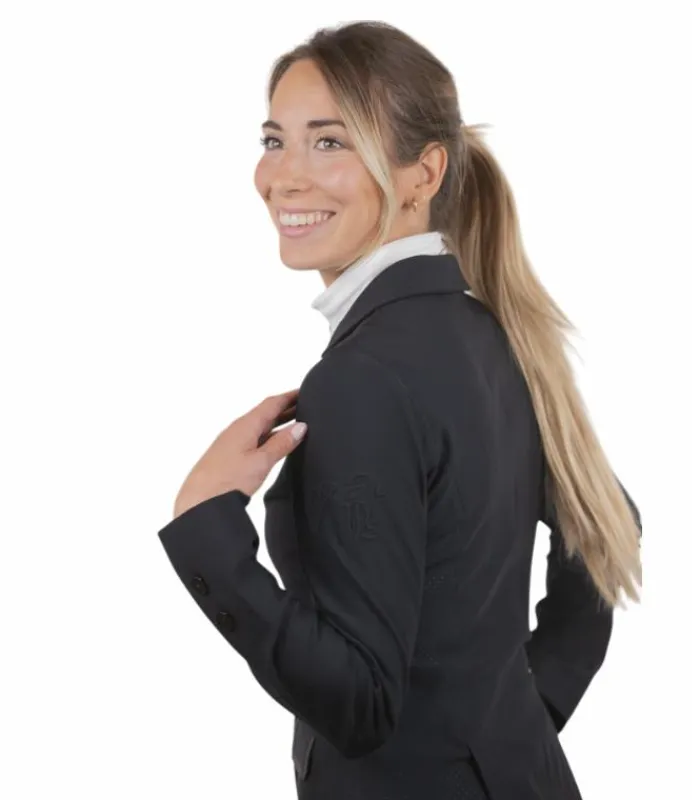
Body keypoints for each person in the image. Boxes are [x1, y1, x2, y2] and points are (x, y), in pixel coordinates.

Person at [157, 20, 642, 800]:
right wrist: (517, 723)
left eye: (330, 142)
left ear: (424, 174)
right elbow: (608, 520)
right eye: (275, 140)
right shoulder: (488, 330)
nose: (283, 175)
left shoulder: (363, 379)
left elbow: (361, 701)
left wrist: (206, 525)